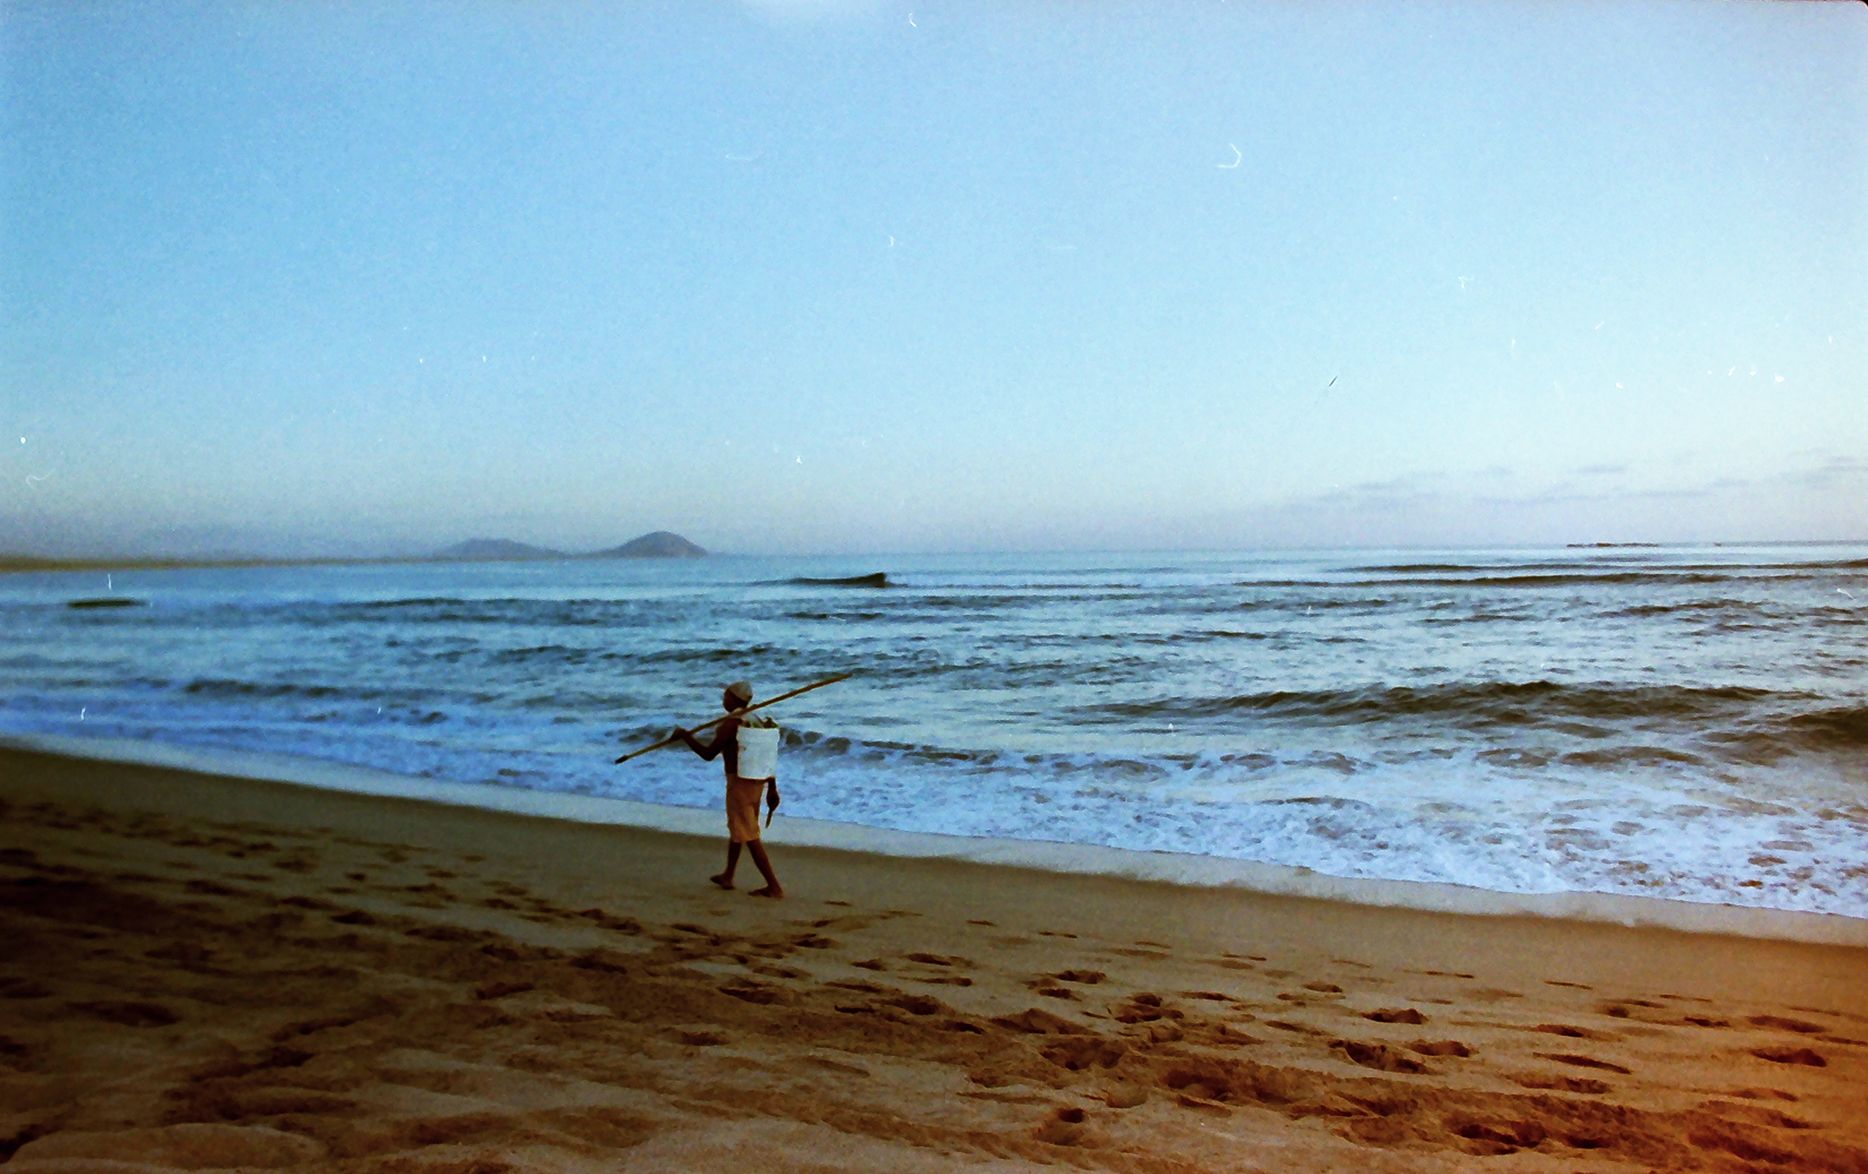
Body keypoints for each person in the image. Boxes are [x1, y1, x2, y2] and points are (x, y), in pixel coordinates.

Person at [673, 681, 784, 898]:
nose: (723, 700)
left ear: (734, 699)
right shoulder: (755, 720)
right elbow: (766, 759)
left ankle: (774, 886)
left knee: (749, 834)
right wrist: (772, 787)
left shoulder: (731, 724)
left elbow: (708, 754)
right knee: (739, 827)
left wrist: (685, 737)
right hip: (757, 782)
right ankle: (728, 875)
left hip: (740, 783)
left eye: (726, 696)